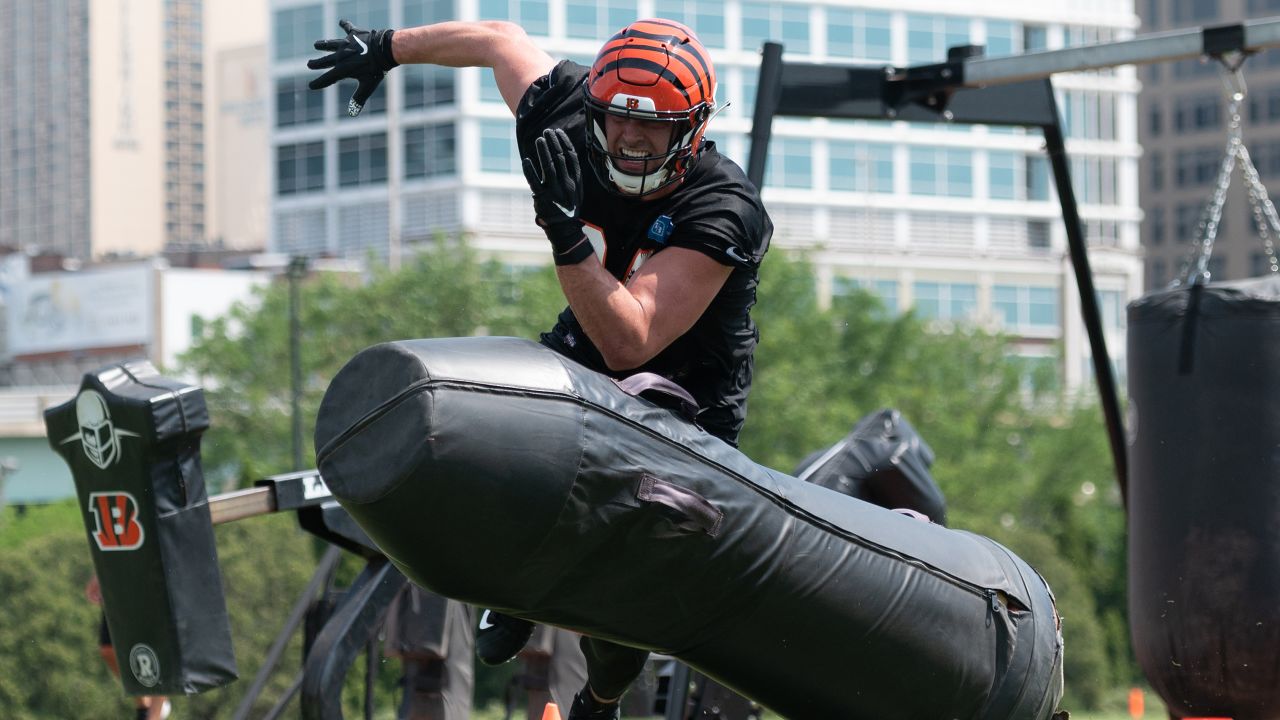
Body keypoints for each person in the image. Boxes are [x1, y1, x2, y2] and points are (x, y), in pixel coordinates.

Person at [308, 16, 772, 720]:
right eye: (616, 119)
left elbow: (632, 341)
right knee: (480, 435)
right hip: (583, 359)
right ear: (593, 106)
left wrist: (561, 232)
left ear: (694, 131)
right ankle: (515, 590)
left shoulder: (723, 206)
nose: (630, 139)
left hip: (686, 404)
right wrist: (387, 48)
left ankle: (601, 698)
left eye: (652, 129)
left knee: (620, 594)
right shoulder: (563, 114)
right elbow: (499, 39)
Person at [86, 574, 171, 720]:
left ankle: (152, 713)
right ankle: (144, 701)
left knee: (154, 649)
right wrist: (99, 574)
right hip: (120, 576)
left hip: (153, 576)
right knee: (108, 649)